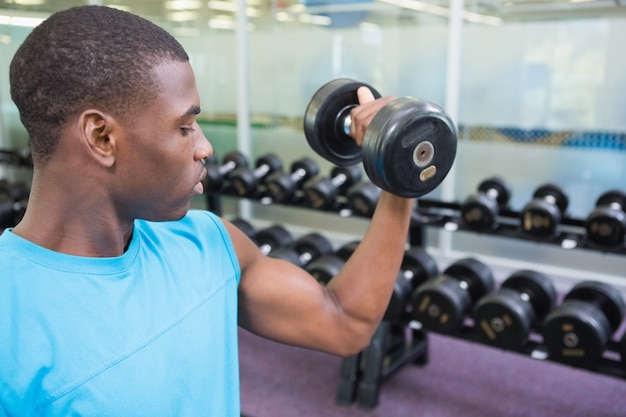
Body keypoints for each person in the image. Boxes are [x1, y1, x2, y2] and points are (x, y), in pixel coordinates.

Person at [0, 5, 415, 416]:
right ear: (102, 137)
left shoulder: (207, 244)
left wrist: (398, 175)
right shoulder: (11, 319)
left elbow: (345, 322)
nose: (204, 147)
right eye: (184, 127)